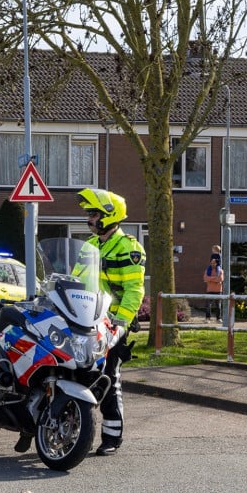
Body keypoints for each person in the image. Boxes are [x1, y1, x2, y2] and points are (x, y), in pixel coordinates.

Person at [77, 188, 146, 456]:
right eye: (89, 214)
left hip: (113, 322)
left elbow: (134, 291)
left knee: (108, 377)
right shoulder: (91, 246)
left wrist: (122, 323)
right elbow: (77, 280)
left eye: (93, 214)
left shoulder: (128, 247)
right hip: (86, 319)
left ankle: (112, 436)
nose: (89, 219)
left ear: (109, 215)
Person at [203, 256, 224, 322]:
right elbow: (205, 278)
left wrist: (210, 279)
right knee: (208, 305)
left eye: (213, 263)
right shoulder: (207, 270)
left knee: (218, 305)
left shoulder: (220, 270)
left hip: (218, 290)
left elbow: (220, 279)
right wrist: (215, 278)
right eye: (211, 263)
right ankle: (207, 318)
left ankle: (218, 318)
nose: (212, 264)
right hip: (209, 290)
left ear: (216, 263)